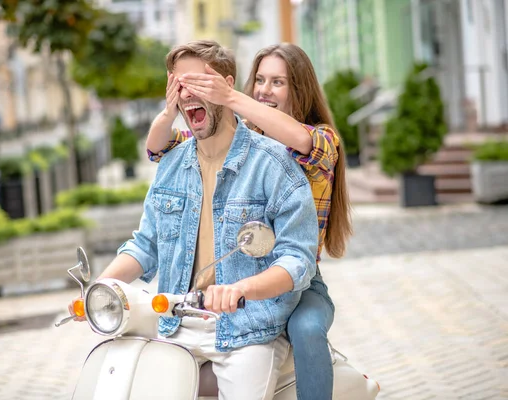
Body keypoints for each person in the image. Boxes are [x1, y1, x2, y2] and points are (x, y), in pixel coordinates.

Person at [71, 40, 320, 400]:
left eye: (199, 83)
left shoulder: (275, 164)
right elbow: (146, 245)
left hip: (248, 329)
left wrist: (241, 289)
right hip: (175, 325)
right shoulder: (172, 165)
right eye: (180, 86)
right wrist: (99, 289)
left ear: (226, 86)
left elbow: (297, 259)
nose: (188, 95)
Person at [146, 42, 353, 400]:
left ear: (299, 88)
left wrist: (230, 98)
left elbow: (300, 140)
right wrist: (169, 109)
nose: (264, 90)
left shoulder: (321, 139)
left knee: (305, 330)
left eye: (277, 82)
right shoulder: (245, 136)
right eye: (259, 80)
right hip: (240, 282)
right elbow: (160, 148)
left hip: (298, 277)